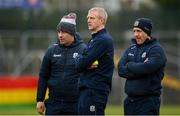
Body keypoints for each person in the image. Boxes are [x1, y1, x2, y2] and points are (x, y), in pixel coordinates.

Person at [36, 13, 87, 115]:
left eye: (63, 32)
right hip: (54, 103)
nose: (60, 35)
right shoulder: (51, 50)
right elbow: (43, 76)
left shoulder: (84, 49)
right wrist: (40, 99)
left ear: (72, 33)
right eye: (58, 32)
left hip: (76, 103)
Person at [118, 17, 167, 115]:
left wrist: (130, 65)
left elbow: (146, 68)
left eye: (139, 31)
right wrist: (140, 69)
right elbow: (120, 69)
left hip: (147, 103)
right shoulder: (131, 48)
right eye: (134, 31)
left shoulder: (156, 50)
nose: (136, 34)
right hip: (129, 102)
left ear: (147, 32)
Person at [75, 7, 114, 115]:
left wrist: (81, 60)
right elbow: (81, 62)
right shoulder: (95, 39)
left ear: (101, 21)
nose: (88, 20)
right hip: (88, 90)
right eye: (88, 17)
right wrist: (82, 60)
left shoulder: (103, 40)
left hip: (94, 91)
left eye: (92, 18)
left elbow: (79, 64)